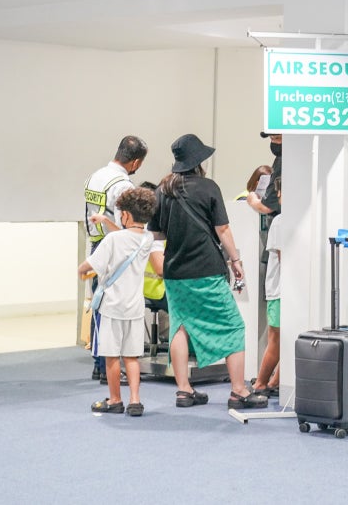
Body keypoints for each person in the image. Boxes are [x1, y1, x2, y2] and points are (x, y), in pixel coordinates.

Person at [148, 134, 268, 409]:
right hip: (206, 270)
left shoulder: (162, 190)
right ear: (199, 161)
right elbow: (222, 229)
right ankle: (239, 390)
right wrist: (236, 260)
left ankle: (184, 390)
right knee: (233, 326)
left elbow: (156, 234)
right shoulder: (208, 187)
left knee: (181, 326)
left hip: (175, 273)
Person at [79, 187, 163, 417]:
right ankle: (135, 400)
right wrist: (108, 221)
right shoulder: (147, 239)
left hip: (112, 307)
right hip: (135, 307)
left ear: (125, 214)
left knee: (112, 356)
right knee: (131, 356)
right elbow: (127, 236)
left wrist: (81, 269)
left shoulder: (112, 240)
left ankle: (115, 399)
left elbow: (89, 265)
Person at [84, 135, 148, 381]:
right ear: (135, 162)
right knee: (111, 308)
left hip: (96, 244)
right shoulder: (124, 185)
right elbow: (126, 224)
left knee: (99, 302)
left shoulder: (94, 176)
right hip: (116, 246)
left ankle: (99, 363)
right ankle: (105, 365)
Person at [252, 178, 283, 397]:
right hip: (282, 289)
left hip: (283, 290)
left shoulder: (283, 220)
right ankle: (267, 382)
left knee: (280, 338)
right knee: (280, 339)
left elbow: (284, 257)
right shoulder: (283, 221)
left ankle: (267, 382)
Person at [247, 133, 282, 216]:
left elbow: (266, 207)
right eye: (271, 138)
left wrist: (252, 200)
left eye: (277, 138)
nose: (274, 142)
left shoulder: (282, 161)